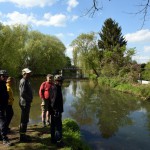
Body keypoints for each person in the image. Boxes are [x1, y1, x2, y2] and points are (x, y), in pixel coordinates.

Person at [19, 68, 33, 142]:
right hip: (24, 103)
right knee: (24, 120)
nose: (29, 74)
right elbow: (22, 93)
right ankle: (22, 137)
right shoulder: (24, 81)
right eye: (27, 73)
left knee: (25, 119)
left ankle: (23, 134)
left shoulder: (26, 80)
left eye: (29, 73)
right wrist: (29, 99)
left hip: (26, 102)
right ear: (24, 73)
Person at [50, 74, 64, 147]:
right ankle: (59, 142)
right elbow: (54, 100)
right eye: (59, 81)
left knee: (53, 125)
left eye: (61, 81)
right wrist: (56, 110)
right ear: (55, 81)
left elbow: (51, 99)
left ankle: (53, 139)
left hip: (54, 110)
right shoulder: (56, 88)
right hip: (56, 110)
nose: (60, 82)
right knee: (58, 126)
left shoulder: (54, 87)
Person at [0, 70, 12, 146]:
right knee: (3, 121)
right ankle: (4, 139)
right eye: (3, 76)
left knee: (9, 115)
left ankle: (2, 135)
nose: (5, 78)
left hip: (4, 105)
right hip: (0, 106)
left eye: (6, 76)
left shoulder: (3, 83)